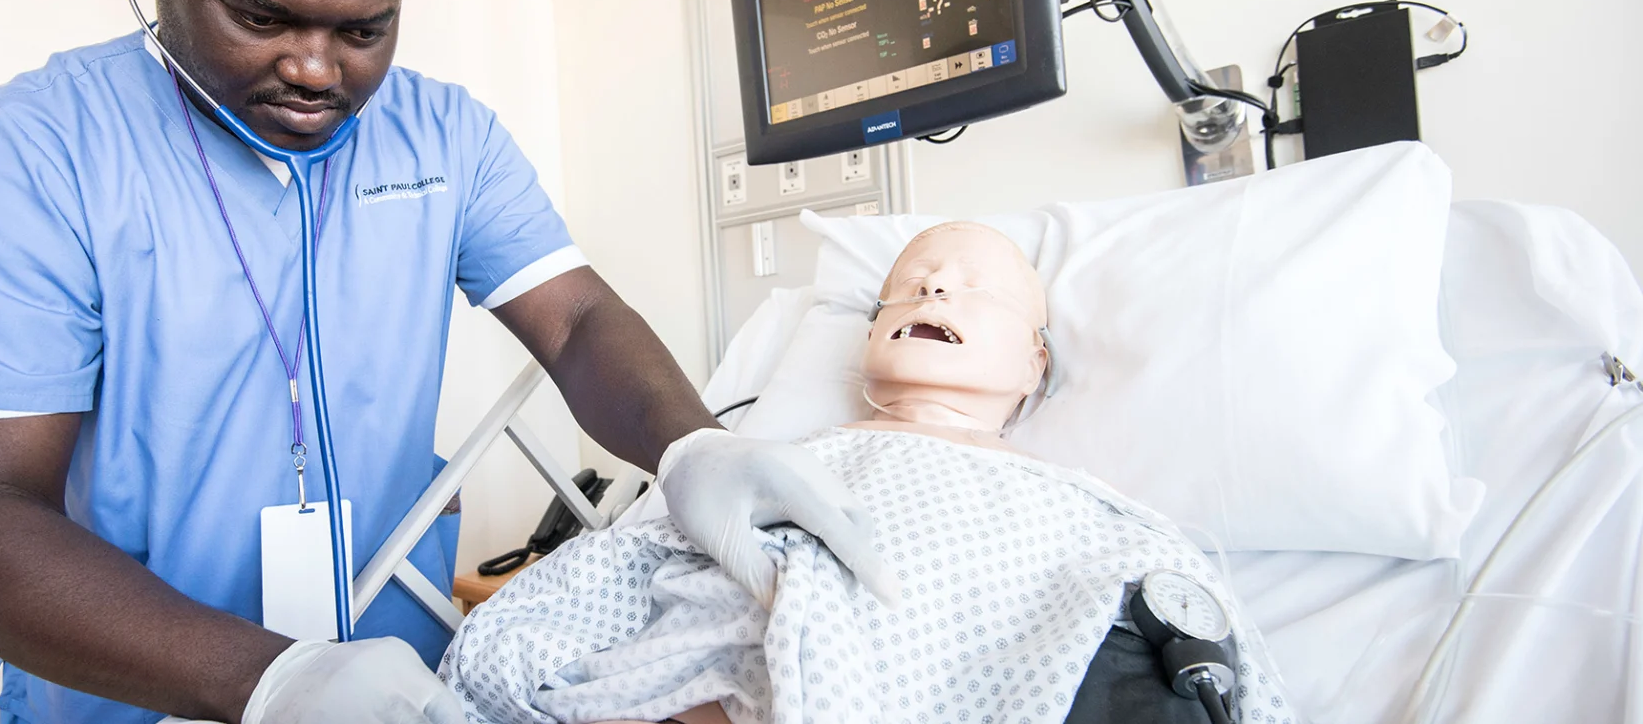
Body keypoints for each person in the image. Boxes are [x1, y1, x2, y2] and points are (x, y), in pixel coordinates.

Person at [0, 0, 889, 724]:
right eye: (262, 15)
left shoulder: (445, 135)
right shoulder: (29, 158)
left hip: (406, 685)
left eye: (363, 29)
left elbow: (574, 318)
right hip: (136, 693)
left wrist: (692, 446)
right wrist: (267, 680)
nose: (314, 70)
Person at [441, 222, 1293, 724]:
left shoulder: (1090, 521)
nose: (933, 293)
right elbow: (604, 590)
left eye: (973, 290)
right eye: (912, 285)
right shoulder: (760, 467)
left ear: (1035, 363)